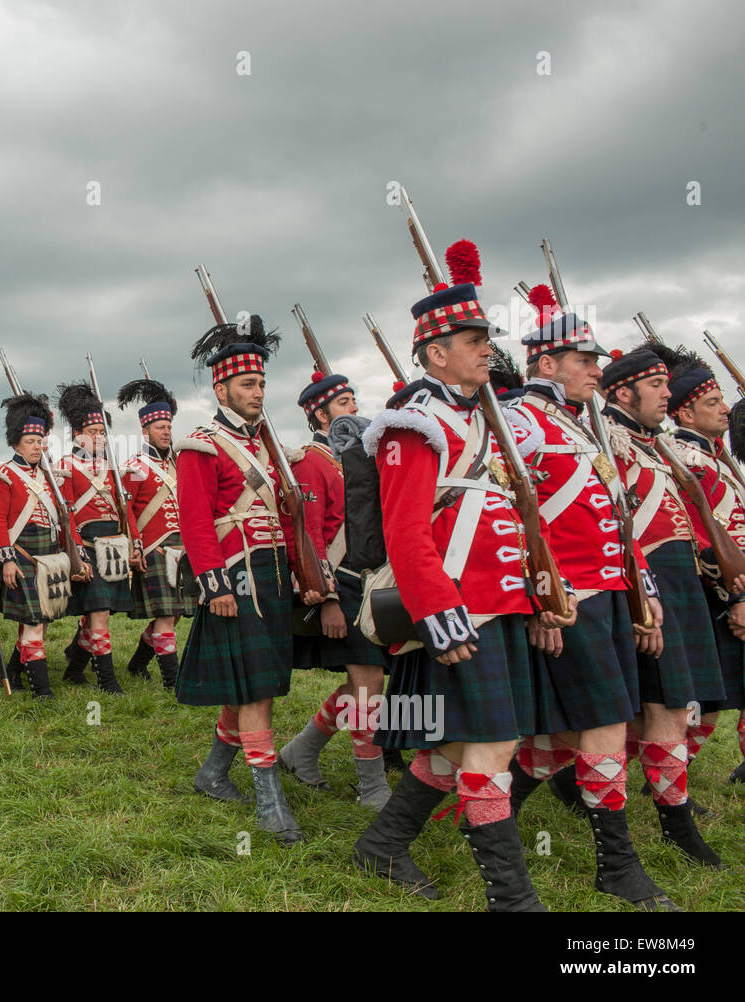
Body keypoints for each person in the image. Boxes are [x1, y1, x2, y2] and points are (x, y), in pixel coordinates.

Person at [352, 240, 573, 910]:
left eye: (486, 338)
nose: (487, 349)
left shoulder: (486, 419)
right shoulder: (413, 421)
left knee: (459, 745)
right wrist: (436, 612)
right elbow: (407, 531)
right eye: (473, 339)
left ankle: (382, 845)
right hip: (456, 611)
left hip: (498, 608)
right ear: (433, 351)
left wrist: (540, 597)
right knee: (491, 750)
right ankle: (512, 898)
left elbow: (514, 518)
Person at [500, 288, 675, 911]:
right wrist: (539, 597)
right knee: (601, 726)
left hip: (606, 596)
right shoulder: (519, 418)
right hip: (568, 599)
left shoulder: (581, 422)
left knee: (573, 735)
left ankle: (485, 813)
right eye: (585, 359)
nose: (599, 369)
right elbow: (511, 513)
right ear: (545, 363)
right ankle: (617, 866)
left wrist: (639, 596)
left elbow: (616, 519)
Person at [175, 315, 319, 846]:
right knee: (257, 688)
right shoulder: (201, 444)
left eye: (261, 383)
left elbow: (286, 518)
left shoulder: (269, 447)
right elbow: (194, 521)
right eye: (247, 384)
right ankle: (269, 801)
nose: (257, 392)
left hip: (274, 574)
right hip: (234, 576)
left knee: (254, 683)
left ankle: (213, 774)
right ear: (221, 387)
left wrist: (304, 573)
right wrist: (214, 585)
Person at [597, 346, 728, 869]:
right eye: (657, 386)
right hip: (645, 580)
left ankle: (674, 817)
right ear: (624, 391)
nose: (668, 395)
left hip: (676, 581)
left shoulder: (653, 446)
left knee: (672, 707)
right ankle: (676, 824)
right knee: (637, 713)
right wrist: (640, 589)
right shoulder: (609, 438)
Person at [281, 370, 393, 810]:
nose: (354, 408)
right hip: (339, 583)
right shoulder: (311, 460)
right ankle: (372, 784)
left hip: (368, 583)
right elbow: (307, 534)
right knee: (367, 682)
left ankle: (301, 751)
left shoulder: (358, 457)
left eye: (352, 399)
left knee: (363, 681)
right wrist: (325, 597)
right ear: (320, 414)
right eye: (344, 402)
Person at [664, 354, 745, 788]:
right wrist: (737, 597)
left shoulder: (710, 457)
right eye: (713, 401)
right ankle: (660, 782)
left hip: (730, 590)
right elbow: (702, 539)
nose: (725, 409)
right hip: (712, 595)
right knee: (702, 706)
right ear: (686, 412)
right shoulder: (686, 460)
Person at [0, 392, 90, 698]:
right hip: (22, 557)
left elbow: (65, 518)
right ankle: (42, 693)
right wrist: (6, 560)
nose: (38, 447)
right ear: (16, 442)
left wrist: (77, 555)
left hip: (50, 558)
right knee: (33, 624)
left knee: (41, 623)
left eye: (42, 440)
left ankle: (15, 672)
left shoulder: (52, 477)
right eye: (31, 441)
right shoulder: (3, 475)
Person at [55, 381, 142, 693]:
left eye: (103, 432)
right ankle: (107, 681)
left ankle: (75, 666)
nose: (99, 438)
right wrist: (77, 553)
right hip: (88, 545)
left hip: (114, 546)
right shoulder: (65, 465)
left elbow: (124, 509)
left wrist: (135, 543)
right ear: (77, 434)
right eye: (93, 432)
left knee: (98, 614)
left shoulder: (113, 468)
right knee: (99, 614)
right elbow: (66, 513)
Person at [115, 377, 196, 690]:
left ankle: (137, 664)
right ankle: (173, 683)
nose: (166, 432)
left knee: (174, 617)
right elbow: (127, 511)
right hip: (155, 550)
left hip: (182, 549)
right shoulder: (134, 466)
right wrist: (136, 545)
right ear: (145, 430)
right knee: (165, 618)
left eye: (168, 426)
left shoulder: (180, 465)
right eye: (160, 427)